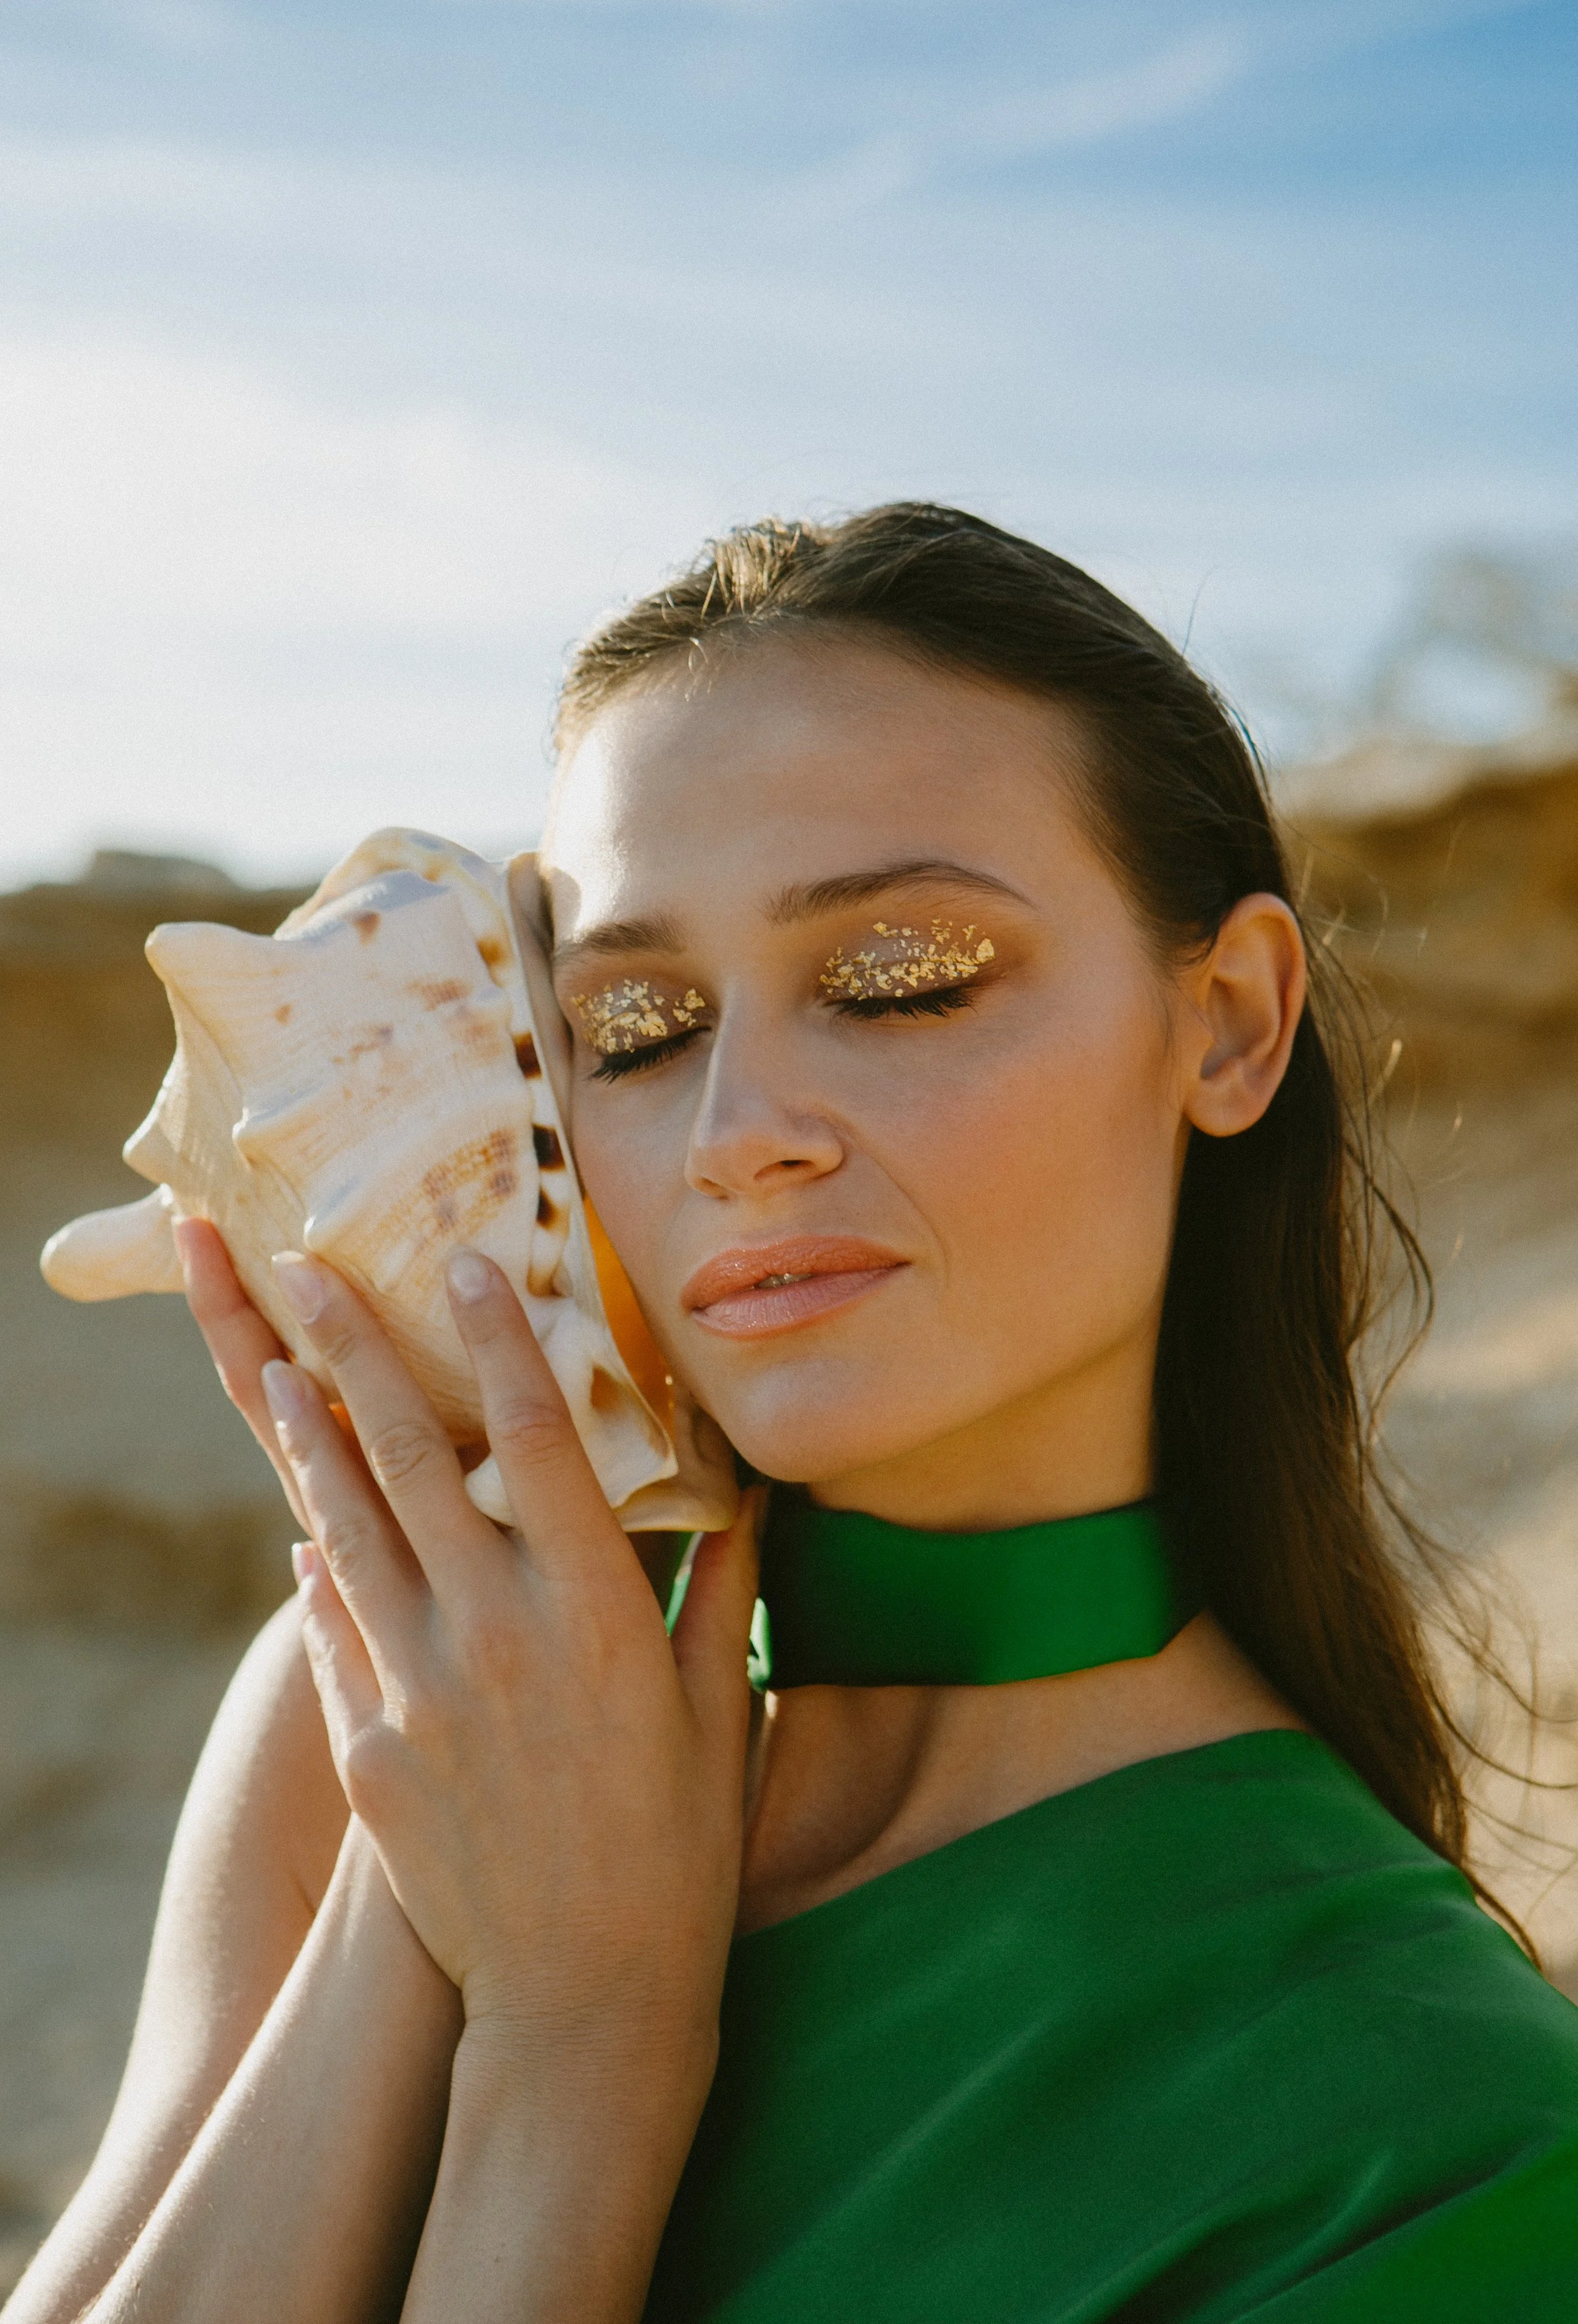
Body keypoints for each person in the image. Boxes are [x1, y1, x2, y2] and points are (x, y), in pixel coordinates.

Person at [10, 503, 1578, 2324]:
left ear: (1227, 1022)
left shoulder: (1438, 2147)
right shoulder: (380, 1707)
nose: (736, 1129)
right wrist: (415, 1913)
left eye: (897, 981)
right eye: (638, 1026)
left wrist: (581, 2043)